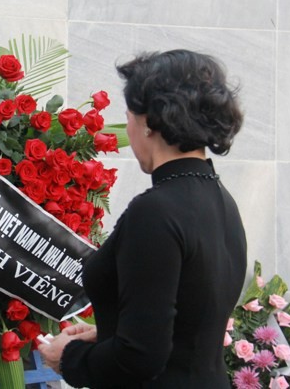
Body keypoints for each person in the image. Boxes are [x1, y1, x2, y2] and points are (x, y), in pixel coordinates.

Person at [38, 50, 247, 388]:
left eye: (129, 117)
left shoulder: (156, 211)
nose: (128, 130)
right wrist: (107, 331)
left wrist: (68, 357)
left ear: (150, 122)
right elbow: (188, 322)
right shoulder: (222, 200)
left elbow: (139, 358)